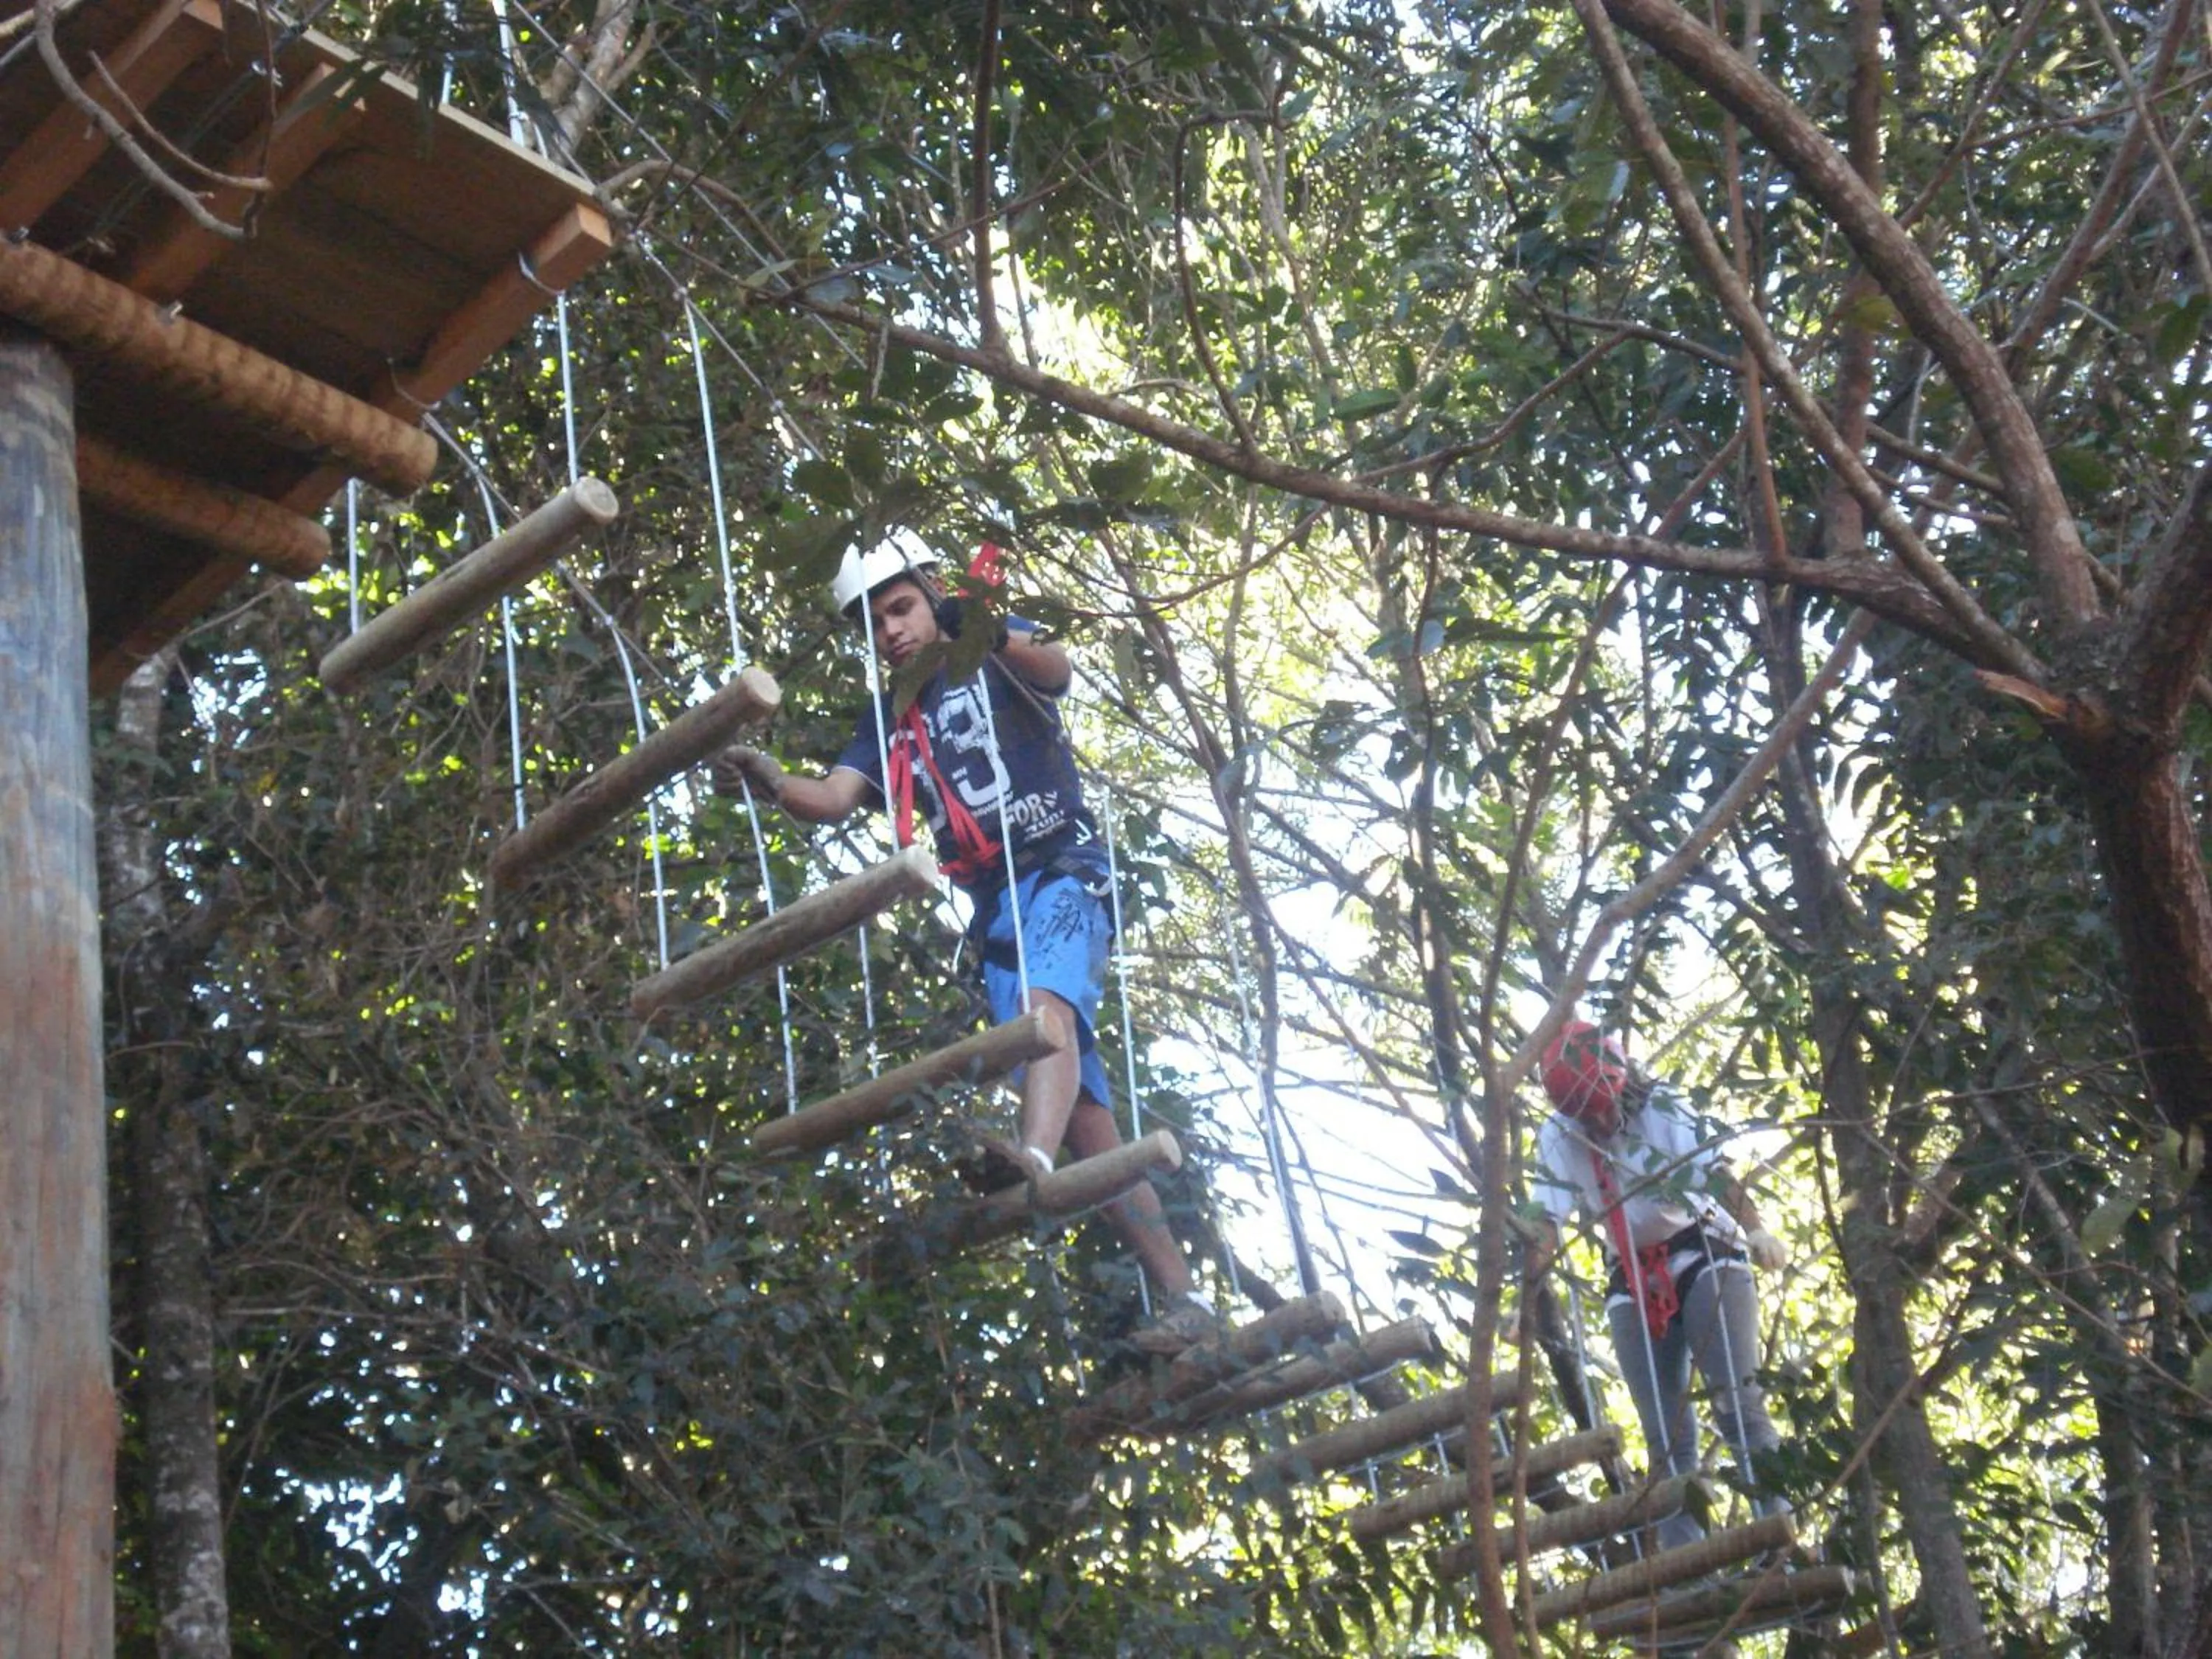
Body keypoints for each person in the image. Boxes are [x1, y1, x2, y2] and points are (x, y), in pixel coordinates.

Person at [712, 529, 1220, 1355]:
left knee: (1042, 1009)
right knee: (1091, 1119)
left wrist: (976, 623)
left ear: (935, 595)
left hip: (1063, 868)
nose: (892, 632)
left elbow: (1056, 669)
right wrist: (771, 780)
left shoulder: (992, 649)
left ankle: (1028, 1154)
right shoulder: (889, 716)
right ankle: (1183, 1297)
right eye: (875, 624)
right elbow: (836, 797)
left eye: (903, 608)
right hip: (993, 910)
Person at [1523, 1019, 1791, 1554]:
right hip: (1632, 1272)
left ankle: (1779, 1538)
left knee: (1739, 1406)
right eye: (1587, 1114)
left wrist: (1756, 1229)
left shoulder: (1662, 1107)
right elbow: (1545, 1224)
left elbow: (1716, 1173)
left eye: (1604, 1107)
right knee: (1667, 1442)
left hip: (1703, 1250)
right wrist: (1525, 1296)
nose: (1599, 1120)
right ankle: (1685, 1568)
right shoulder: (1560, 1136)